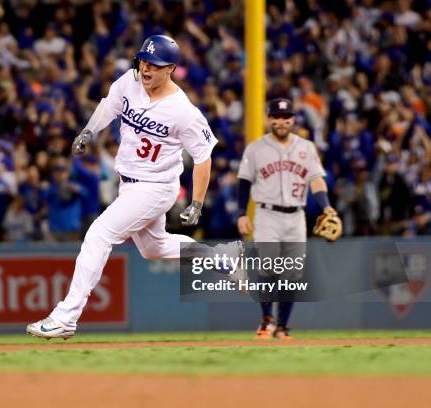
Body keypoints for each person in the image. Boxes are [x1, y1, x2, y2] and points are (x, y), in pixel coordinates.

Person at [27, 35, 240, 339]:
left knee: (99, 233)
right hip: (129, 185)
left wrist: (196, 203)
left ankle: (66, 316)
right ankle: (221, 257)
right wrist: (88, 131)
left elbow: (203, 157)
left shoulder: (184, 111)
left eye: (154, 64)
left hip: (155, 186)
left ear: (171, 69)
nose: (146, 68)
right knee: (154, 248)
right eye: (143, 60)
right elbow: (108, 107)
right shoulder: (130, 81)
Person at [236, 98, 337, 339]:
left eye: (286, 117)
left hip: (296, 217)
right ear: (269, 119)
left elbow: (316, 180)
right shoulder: (255, 148)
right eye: (277, 117)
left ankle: (282, 326)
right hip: (267, 214)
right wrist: (242, 213)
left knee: (292, 274)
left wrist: (327, 207)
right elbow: (243, 182)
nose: (282, 121)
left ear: (293, 119)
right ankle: (266, 319)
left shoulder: (307, 148)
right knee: (269, 267)